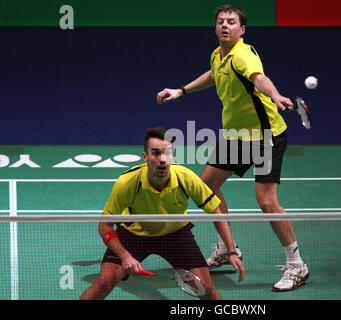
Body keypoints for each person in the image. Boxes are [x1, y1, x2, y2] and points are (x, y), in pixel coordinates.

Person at [156, 5, 309, 292]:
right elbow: (213, 75)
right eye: (221, 22)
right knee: (206, 187)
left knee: (266, 201)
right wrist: (182, 91)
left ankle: (297, 264)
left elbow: (258, 78)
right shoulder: (219, 56)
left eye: (232, 22)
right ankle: (228, 248)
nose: (225, 25)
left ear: (242, 29)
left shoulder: (243, 55)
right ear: (215, 28)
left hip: (265, 136)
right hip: (237, 136)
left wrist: (275, 94)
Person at [80, 127, 245, 300]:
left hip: (175, 235)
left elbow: (216, 212)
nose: (162, 160)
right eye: (156, 153)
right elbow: (104, 225)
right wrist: (125, 256)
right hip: (133, 235)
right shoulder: (127, 183)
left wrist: (231, 251)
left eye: (167, 153)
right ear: (145, 157)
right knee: (104, 282)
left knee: (207, 289)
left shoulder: (185, 177)